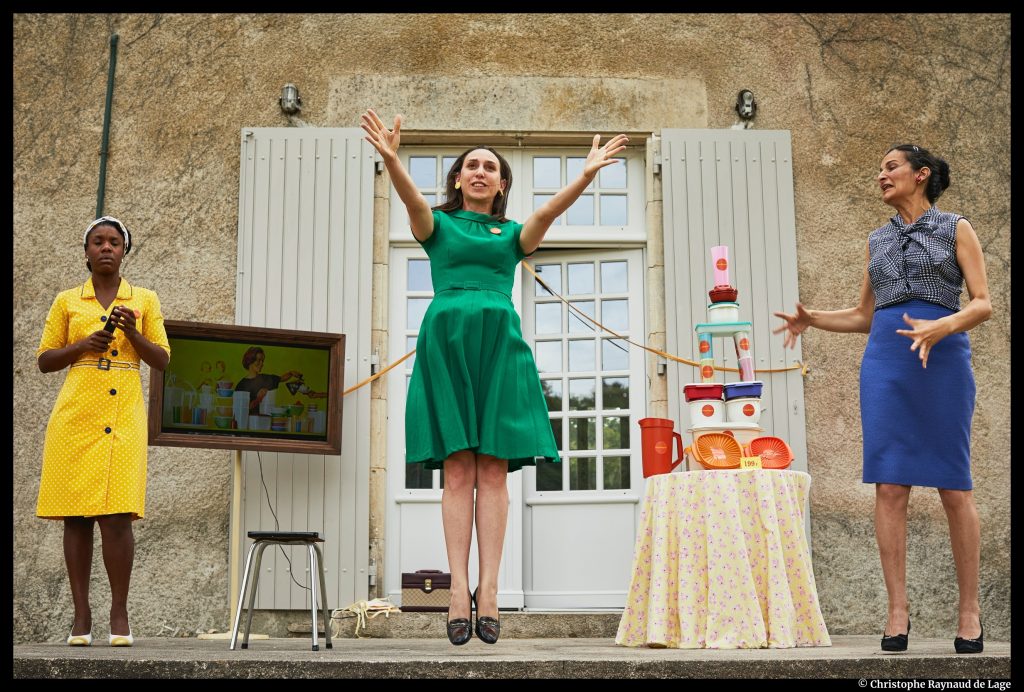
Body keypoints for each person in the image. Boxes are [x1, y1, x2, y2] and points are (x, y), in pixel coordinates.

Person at [361, 108, 628, 645]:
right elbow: (412, 202)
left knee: (494, 472)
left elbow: (548, 214)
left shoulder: (510, 234)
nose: (480, 171)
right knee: (457, 469)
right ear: (458, 179)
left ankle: (490, 587)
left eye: (490, 167)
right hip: (447, 343)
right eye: (471, 165)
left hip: (500, 346)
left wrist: (585, 174)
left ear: (502, 183)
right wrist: (391, 160)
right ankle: (458, 589)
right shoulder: (437, 225)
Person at [773, 144, 991, 654]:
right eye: (879, 169)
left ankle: (969, 612)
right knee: (889, 486)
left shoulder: (958, 227)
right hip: (886, 366)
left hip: (943, 361)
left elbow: (982, 302)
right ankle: (897, 611)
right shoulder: (877, 241)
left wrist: (945, 324)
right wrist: (814, 319)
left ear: (921, 175)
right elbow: (865, 315)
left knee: (954, 487)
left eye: (890, 167)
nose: (881, 175)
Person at [36, 216, 171, 647]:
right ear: (87, 251)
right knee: (75, 516)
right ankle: (80, 615)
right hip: (75, 417)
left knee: (116, 517)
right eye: (98, 242)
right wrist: (82, 345)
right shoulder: (66, 301)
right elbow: (45, 359)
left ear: (125, 250)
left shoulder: (144, 299)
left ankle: (119, 610)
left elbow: (163, 359)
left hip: (123, 415)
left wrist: (132, 331)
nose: (106, 248)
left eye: (114, 242)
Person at [233, 346, 304, 413]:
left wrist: (291, 373)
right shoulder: (241, 386)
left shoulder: (265, 379)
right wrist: (259, 399)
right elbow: (241, 410)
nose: (262, 364)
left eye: (262, 361)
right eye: (259, 360)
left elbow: (281, 378)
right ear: (250, 361)